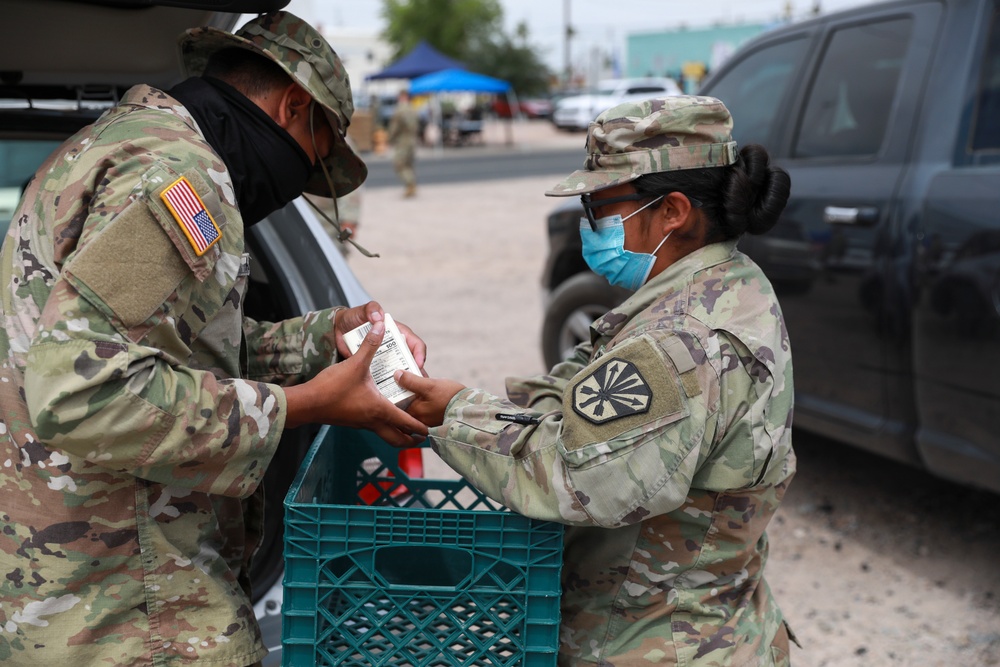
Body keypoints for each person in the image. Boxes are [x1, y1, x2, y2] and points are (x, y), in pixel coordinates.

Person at [0, 12, 428, 667]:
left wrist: (326, 337)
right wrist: (306, 405)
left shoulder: (110, 145)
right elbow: (82, 388)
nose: (290, 190)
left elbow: (170, 349)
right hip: (133, 606)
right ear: (294, 107)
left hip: (84, 585)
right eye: (311, 163)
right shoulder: (179, 173)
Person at [396, 96, 797, 666]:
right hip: (710, 625)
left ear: (673, 211)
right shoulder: (728, 285)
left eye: (601, 207)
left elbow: (578, 476)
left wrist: (452, 414)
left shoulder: (679, 340)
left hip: (657, 644)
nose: (590, 225)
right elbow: (580, 403)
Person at [387, 88, 420, 197]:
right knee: (409, 164)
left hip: (402, 140)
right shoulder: (413, 109)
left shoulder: (399, 110)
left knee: (399, 164)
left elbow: (394, 128)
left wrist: (390, 139)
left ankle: (410, 185)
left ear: (401, 96)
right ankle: (411, 186)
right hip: (412, 139)